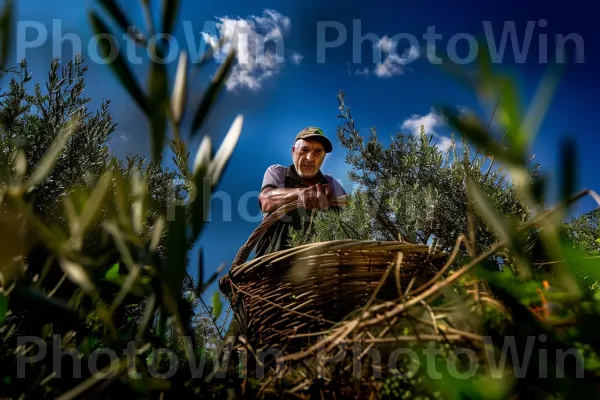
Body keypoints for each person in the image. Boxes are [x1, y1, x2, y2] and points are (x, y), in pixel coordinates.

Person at [254, 126, 346, 257]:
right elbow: (266, 200)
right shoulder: (279, 173)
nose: (310, 157)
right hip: (270, 265)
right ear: (293, 151)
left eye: (317, 152)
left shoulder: (330, 183)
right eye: (304, 150)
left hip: (317, 267)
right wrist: (301, 193)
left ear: (323, 157)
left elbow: (350, 218)